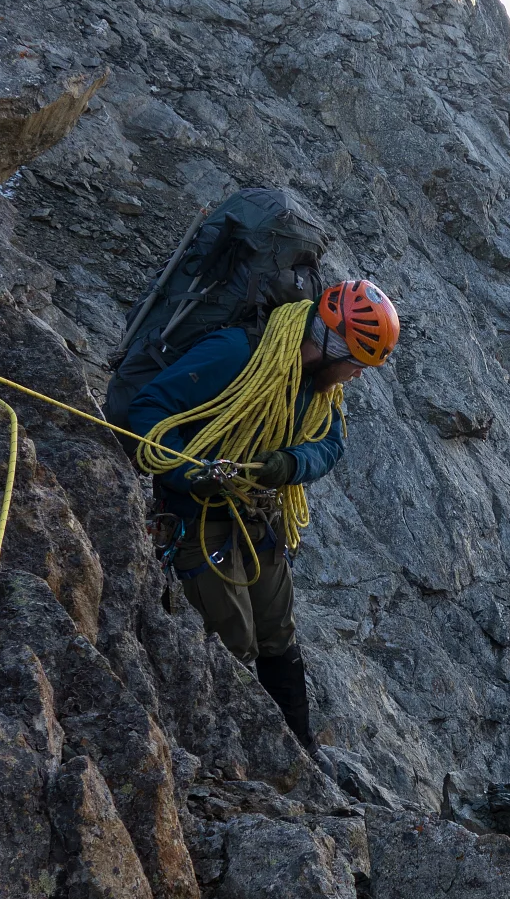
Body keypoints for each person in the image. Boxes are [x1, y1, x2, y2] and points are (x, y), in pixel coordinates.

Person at [126, 279, 400, 750]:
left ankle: (299, 749)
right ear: (331, 346)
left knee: (277, 633)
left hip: (260, 520)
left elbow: (330, 443)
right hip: (201, 513)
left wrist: (290, 464)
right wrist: (190, 472)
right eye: (355, 364)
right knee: (233, 640)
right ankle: (228, 756)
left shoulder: (316, 387)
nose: (356, 376)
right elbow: (148, 410)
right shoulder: (236, 354)